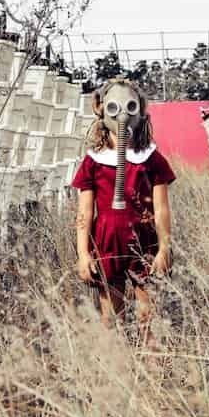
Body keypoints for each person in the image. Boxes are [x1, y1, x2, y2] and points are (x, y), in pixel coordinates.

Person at [70, 78, 175, 343]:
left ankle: (152, 374)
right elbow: (84, 214)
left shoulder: (150, 158)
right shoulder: (94, 161)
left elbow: (162, 208)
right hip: (107, 242)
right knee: (110, 318)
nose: (123, 115)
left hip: (144, 241)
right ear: (101, 108)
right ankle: (116, 371)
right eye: (115, 107)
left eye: (130, 107)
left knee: (148, 317)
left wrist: (163, 248)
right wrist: (83, 254)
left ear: (140, 109)